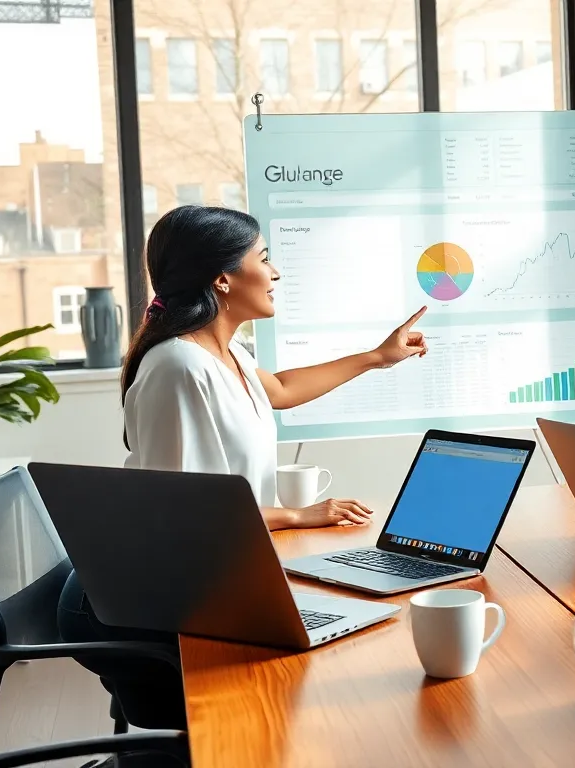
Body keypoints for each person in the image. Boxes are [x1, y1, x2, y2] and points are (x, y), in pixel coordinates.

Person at [57, 205, 429, 748]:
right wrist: (297, 515)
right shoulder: (179, 368)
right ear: (223, 278)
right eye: (265, 259)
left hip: (190, 577)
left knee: (347, 623)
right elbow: (181, 515)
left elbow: (277, 389)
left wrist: (376, 357)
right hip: (126, 601)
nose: (275, 273)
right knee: (319, 656)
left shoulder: (224, 351)